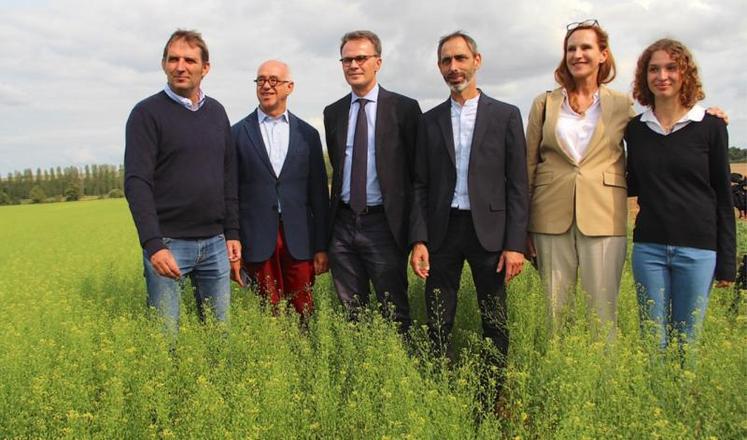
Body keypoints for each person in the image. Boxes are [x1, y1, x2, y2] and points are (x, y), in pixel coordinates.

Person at [410, 31, 528, 362]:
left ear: (477, 61)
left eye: (460, 58)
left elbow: (518, 184)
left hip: (489, 233)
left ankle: (493, 390)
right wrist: (419, 239)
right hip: (442, 231)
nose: (453, 67)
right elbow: (419, 183)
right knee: (436, 318)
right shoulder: (429, 121)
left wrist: (515, 244)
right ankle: (439, 382)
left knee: (494, 319)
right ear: (439, 67)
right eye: (446, 60)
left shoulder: (506, 116)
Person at [124, 29, 240, 331]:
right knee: (166, 336)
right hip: (168, 244)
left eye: (189, 60)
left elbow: (228, 176)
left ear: (206, 68)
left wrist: (232, 233)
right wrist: (153, 244)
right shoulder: (146, 113)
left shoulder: (217, 113)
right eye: (173, 59)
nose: (180, 66)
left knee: (219, 334)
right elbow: (137, 182)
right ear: (164, 64)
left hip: (215, 244)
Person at [626, 38, 735, 348]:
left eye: (671, 68)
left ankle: (681, 396)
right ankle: (654, 396)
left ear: (685, 73)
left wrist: (726, 262)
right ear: (644, 77)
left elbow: (723, 199)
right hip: (648, 250)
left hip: (698, 251)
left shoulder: (711, 126)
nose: (663, 76)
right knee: (652, 341)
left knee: (687, 340)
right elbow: (631, 182)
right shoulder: (635, 130)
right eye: (654, 69)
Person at [525, 20, 633, 331]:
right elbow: (527, 165)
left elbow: (658, 133)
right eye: (571, 49)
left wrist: (705, 116)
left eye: (586, 47)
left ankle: (604, 377)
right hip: (549, 216)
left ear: (603, 55)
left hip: (604, 214)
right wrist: (524, 226)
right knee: (555, 312)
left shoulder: (622, 105)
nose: (577, 54)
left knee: (602, 313)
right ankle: (559, 369)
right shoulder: (544, 103)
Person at [324, 30, 422, 333]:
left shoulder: (404, 109)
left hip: (384, 225)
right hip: (342, 224)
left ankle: (398, 373)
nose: (353, 64)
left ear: (377, 62)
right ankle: (360, 369)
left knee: (394, 311)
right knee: (351, 313)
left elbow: (418, 176)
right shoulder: (333, 112)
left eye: (361, 58)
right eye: (347, 59)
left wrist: (417, 234)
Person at [230, 60, 329, 317]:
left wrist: (321, 246)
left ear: (289, 87)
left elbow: (318, 194)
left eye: (273, 80)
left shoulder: (308, 134)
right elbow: (231, 193)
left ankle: (303, 355)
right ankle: (273, 355)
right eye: (260, 80)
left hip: (299, 238)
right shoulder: (237, 133)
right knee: (267, 310)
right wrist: (234, 241)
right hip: (257, 238)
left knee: (302, 308)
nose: (266, 85)